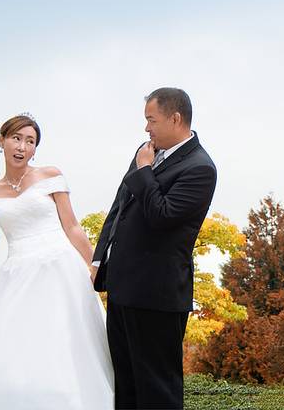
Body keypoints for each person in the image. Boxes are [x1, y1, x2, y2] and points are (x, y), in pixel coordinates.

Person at [0, 114, 113, 409]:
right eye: (16, 138)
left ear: (35, 148)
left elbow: (73, 227)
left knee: (63, 347)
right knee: (12, 354)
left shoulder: (50, 176)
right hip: (17, 275)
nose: (22, 146)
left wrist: (98, 268)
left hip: (61, 270)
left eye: (30, 141)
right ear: (2, 141)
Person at [92, 87, 217, 410]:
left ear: (176, 119)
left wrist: (145, 170)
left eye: (152, 120)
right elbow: (120, 207)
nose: (146, 128)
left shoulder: (200, 168)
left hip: (157, 296)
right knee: (126, 385)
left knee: (157, 389)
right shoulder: (145, 151)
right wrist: (98, 259)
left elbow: (162, 216)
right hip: (122, 290)